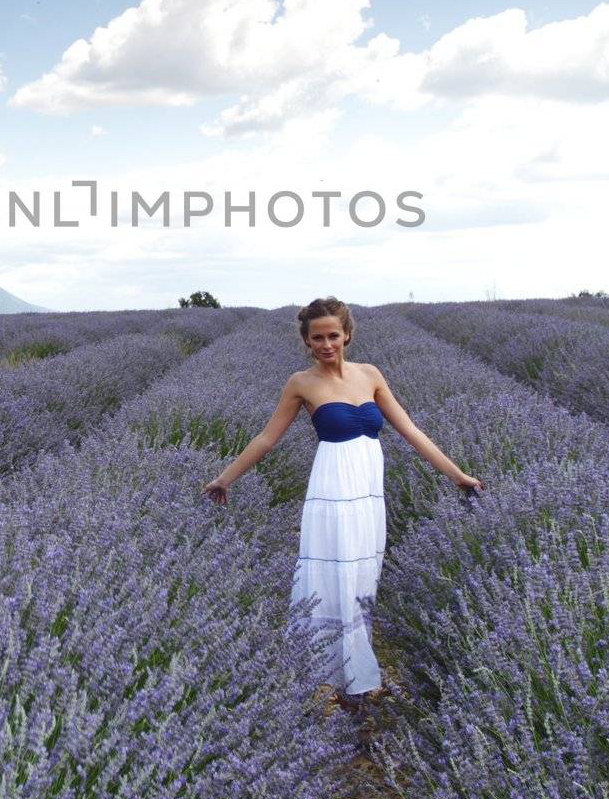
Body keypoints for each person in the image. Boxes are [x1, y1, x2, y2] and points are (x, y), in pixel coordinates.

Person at [202, 297, 483, 707]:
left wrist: (458, 476)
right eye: (317, 338)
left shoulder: (370, 375)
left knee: (364, 577)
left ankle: (356, 672)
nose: (326, 344)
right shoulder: (301, 383)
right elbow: (267, 438)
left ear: (347, 334)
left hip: (369, 491)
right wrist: (224, 478)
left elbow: (410, 429)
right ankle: (349, 682)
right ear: (306, 341)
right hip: (333, 491)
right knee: (338, 579)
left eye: (333, 335)